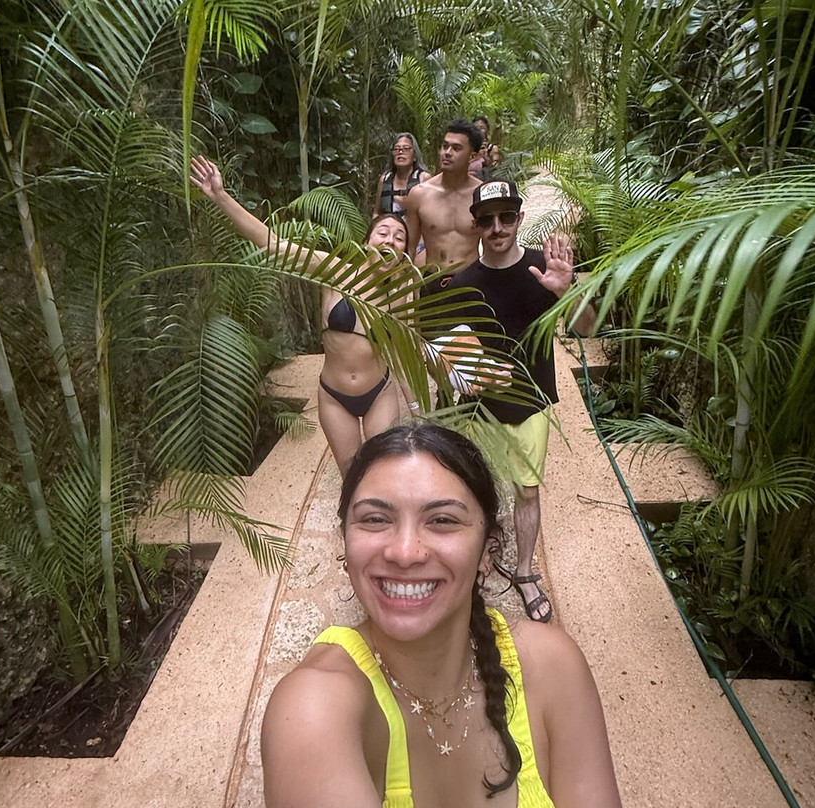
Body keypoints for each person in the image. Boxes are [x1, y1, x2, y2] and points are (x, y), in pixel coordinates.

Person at [261, 423, 621, 807]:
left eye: (443, 520)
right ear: (345, 542)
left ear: (488, 550)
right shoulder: (312, 708)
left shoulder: (552, 666)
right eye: (375, 519)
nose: (404, 551)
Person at [190, 155, 416, 477]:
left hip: (379, 393)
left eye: (399, 237)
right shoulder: (335, 271)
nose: (390, 240)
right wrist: (220, 196)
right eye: (383, 232)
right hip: (335, 397)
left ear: (404, 251)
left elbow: (403, 354)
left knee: (384, 473)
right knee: (352, 476)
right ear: (367, 241)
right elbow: (273, 244)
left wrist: (420, 411)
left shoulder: (400, 292)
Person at [431, 179, 594, 623]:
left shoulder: (548, 269)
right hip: (476, 412)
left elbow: (588, 330)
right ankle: (473, 569)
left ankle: (523, 572)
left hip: (530, 404)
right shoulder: (459, 284)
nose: (498, 227)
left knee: (526, 490)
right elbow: (437, 353)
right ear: (476, 224)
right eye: (487, 218)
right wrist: (463, 376)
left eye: (506, 216)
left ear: (520, 218)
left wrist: (567, 291)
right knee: (472, 494)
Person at [404, 120, 485, 295]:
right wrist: (409, 288)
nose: (447, 153)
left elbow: (490, 245)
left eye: (456, 148)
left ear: (472, 156)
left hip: (470, 280)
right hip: (432, 280)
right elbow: (409, 248)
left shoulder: (481, 195)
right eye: (445, 146)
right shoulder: (419, 194)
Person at [373, 133, 429, 218]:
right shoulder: (385, 179)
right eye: (396, 149)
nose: (400, 152)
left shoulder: (424, 178)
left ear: (414, 155)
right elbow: (377, 212)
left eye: (406, 148)